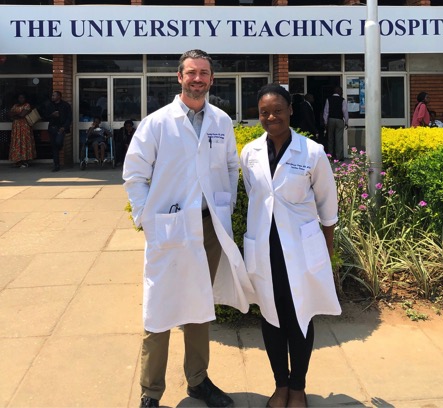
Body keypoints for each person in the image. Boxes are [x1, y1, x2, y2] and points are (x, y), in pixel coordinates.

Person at [123, 49, 253, 408]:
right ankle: (151, 392)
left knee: (199, 305)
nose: (198, 79)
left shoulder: (221, 121)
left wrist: (223, 205)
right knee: (159, 307)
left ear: (212, 79)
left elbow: (230, 166)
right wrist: (147, 219)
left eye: (205, 73)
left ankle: (198, 381)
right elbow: (134, 174)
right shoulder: (158, 122)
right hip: (168, 228)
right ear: (179, 77)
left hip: (209, 229)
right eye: (192, 72)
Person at [240, 83, 341, 408]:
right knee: (270, 317)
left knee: (300, 317)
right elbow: (254, 194)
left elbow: (328, 206)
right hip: (264, 250)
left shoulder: (311, 152)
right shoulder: (250, 153)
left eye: (278, 110)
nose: (272, 117)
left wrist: (327, 252)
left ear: (290, 111)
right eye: (264, 112)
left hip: (301, 251)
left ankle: (297, 387)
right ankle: (279, 386)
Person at [8, 93, 36, 168]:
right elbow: (10, 114)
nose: (21, 99)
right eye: (20, 98)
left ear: (25, 98)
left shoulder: (27, 105)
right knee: (17, 142)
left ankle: (25, 161)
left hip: (24, 127)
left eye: (22, 98)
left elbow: (22, 115)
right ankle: (18, 160)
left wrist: (15, 114)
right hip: (16, 127)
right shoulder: (15, 105)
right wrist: (17, 114)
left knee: (24, 142)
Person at [46, 90, 72, 172]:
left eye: (54, 95)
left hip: (61, 128)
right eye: (52, 95)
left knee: (58, 143)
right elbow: (44, 116)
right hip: (52, 128)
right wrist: (52, 115)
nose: (52, 97)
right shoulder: (49, 105)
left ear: (59, 96)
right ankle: (56, 165)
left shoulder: (65, 105)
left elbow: (69, 118)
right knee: (54, 147)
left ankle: (59, 147)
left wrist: (64, 127)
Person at [323, 86, 348, 161]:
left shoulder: (328, 99)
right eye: (342, 91)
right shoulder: (342, 100)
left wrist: (325, 122)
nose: (342, 92)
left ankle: (330, 156)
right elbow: (345, 112)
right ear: (339, 92)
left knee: (330, 138)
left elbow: (326, 112)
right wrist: (346, 122)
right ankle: (338, 156)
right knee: (339, 139)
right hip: (339, 120)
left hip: (331, 119)